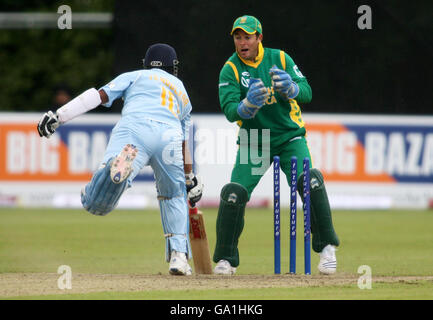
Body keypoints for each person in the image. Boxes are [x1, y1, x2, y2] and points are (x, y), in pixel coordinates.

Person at [37, 43, 203, 276]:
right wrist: (189, 177)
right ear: (172, 67)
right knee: (174, 194)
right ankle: (178, 258)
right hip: (170, 136)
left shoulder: (134, 76)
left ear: (146, 63)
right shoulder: (180, 88)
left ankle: (114, 170)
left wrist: (59, 116)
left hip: (134, 129)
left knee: (95, 203)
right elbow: (185, 138)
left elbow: (98, 96)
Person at [213, 15, 340, 275]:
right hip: (255, 140)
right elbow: (229, 111)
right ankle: (225, 259)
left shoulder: (281, 58)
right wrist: (246, 106)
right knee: (233, 193)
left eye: (247, 37)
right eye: (238, 37)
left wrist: (291, 88)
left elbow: (307, 92)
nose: (242, 42)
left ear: (259, 37)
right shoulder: (231, 68)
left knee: (311, 181)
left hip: (288, 136)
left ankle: (327, 248)